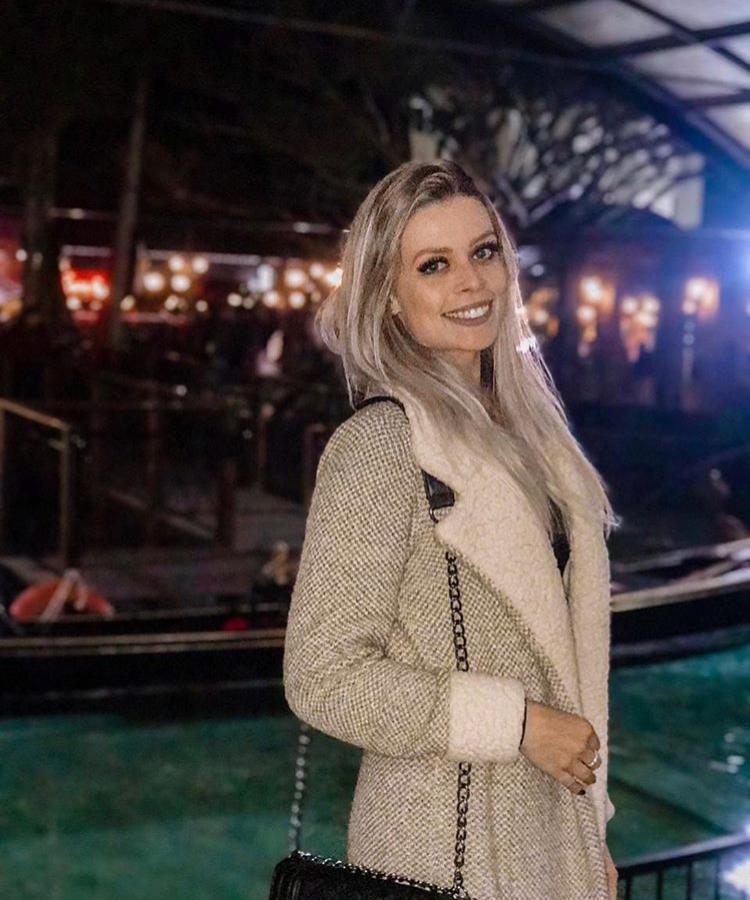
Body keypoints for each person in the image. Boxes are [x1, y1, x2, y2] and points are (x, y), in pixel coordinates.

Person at [282, 160, 619, 899]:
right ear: (389, 296)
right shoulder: (383, 444)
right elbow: (322, 676)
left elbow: (568, 666)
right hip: (443, 851)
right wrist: (516, 724)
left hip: (548, 841)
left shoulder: (537, 442)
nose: (472, 282)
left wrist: (591, 833)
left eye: (483, 251)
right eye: (434, 265)